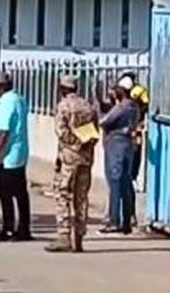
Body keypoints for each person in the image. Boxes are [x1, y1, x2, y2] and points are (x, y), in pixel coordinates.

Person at [46, 75, 98, 253]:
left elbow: (61, 132)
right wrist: (84, 144)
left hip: (69, 158)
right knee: (81, 197)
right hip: (86, 157)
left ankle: (64, 235)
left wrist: (74, 144)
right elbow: (95, 132)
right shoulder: (88, 106)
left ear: (62, 89)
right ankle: (79, 236)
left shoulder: (63, 106)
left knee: (63, 194)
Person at [0, 71, 32, 242]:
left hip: (7, 155)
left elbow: (4, 132)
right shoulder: (19, 99)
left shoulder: (7, 102)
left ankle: (8, 227)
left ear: (0, 86)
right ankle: (23, 228)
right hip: (19, 153)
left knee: (5, 193)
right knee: (21, 193)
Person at [99, 78, 140, 235]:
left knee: (115, 183)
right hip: (127, 146)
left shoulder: (122, 107)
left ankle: (114, 220)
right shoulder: (134, 107)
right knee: (125, 183)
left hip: (116, 146)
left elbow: (105, 121)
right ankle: (126, 221)